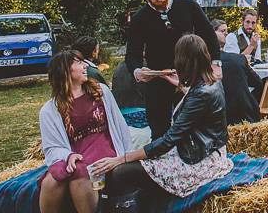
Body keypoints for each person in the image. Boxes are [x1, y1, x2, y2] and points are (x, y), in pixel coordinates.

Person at [91, 34, 232, 207]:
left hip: (199, 161)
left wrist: (121, 158)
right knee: (125, 169)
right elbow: (199, 106)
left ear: (183, 60)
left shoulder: (201, 95)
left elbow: (169, 140)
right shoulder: (211, 83)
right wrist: (180, 84)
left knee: (120, 172)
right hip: (206, 151)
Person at [126, 0, 222, 140]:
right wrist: (137, 71)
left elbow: (209, 35)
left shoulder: (188, 6)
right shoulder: (139, 19)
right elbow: (132, 53)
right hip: (158, 80)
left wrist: (215, 62)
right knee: (159, 132)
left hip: (190, 76)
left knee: (194, 127)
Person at [39, 51, 133, 213]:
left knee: (81, 171)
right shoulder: (50, 110)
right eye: (79, 63)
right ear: (66, 71)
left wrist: (127, 156)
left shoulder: (101, 91)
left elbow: (119, 125)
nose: (85, 66)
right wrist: (68, 156)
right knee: (54, 176)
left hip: (104, 146)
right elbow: (51, 148)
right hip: (75, 153)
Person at [212, 19, 262, 126]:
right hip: (244, 114)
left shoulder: (202, 63)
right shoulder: (239, 59)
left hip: (218, 116)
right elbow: (258, 82)